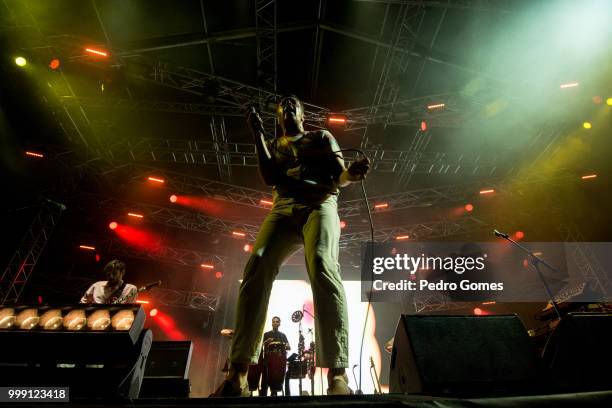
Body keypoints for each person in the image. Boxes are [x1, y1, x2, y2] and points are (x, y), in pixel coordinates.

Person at [213, 95, 370, 397]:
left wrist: (352, 173)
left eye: (292, 104)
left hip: (320, 203)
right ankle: (238, 372)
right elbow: (270, 176)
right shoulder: (274, 144)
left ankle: (338, 374)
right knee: (257, 265)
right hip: (283, 207)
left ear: (301, 113)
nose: (286, 106)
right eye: (281, 105)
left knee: (323, 265)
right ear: (278, 116)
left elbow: (341, 177)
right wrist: (257, 133)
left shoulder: (321, 136)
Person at [260, 316, 290, 396]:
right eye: (274, 321)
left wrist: (286, 345)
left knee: (276, 377)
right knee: (266, 379)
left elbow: (288, 347)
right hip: (268, 359)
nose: (275, 323)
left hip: (279, 361)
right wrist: (266, 342)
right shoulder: (266, 334)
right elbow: (260, 346)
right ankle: (263, 397)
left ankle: (274, 392)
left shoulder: (282, 335)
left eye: (277, 322)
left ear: (279, 323)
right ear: (272, 323)